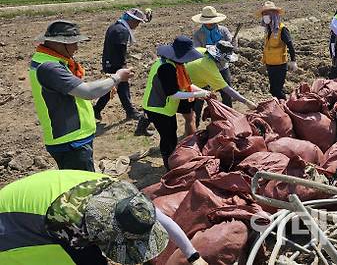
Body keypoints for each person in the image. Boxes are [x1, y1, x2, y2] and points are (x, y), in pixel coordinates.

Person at [0, 169, 208, 265]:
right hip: (13, 225)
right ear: (107, 232)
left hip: (45, 193)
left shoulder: (127, 199)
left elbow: (161, 218)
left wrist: (193, 256)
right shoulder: (72, 227)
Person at [29, 20, 133, 172]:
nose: (77, 47)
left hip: (74, 137)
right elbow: (88, 92)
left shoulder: (49, 60)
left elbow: (74, 89)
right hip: (71, 141)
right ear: (58, 43)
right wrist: (116, 78)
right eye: (74, 43)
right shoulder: (49, 67)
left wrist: (106, 84)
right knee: (83, 189)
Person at [142, 36, 210, 169]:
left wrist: (203, 92)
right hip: (158, 108)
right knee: (168, 138)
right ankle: (169, 166)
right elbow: (173, 94)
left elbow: (185, 85)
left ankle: (171, 161)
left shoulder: (175, 64)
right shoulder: (166, 68)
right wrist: (197, 94)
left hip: (166, 108)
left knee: (171, 133)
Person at [93, 8, 152, 136]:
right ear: (131, 20)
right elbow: (121, 51)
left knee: (113, 88)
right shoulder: (122, 31)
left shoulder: (116, 26)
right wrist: (123, 66)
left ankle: (97, 109)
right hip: (115, 64)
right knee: (120, 87)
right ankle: (130, 111)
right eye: (137, 22)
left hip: (109, 61)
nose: (137, 25)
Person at [181, 41, 258, 136]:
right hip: (185, 86)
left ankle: (192, 130)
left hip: (188, 77)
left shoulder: (202, 50)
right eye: (225, 60)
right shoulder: (210, 69)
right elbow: (227, 89)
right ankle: (190, 136)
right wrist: (246, 102)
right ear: (220, 59)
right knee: (192, 114)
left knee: (195, 109)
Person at [191, 6, 237, 107]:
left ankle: (229, 117)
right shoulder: (198, 34)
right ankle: (196, 119)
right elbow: (197, 51)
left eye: (212, 21)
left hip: (222, 66)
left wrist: (229, 47)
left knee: (227, 93)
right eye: (208, 21)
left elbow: (232, 44)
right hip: (205, 68)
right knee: (200, 97)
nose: (211, 23)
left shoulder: (223, 30)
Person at [257, 1, 297, 100]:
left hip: (280, 64)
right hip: (270, 64)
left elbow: (290, 45)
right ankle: (278, 108)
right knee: (273, 89)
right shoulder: (268, 29)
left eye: (267, 14)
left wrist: (293, 61)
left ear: (273, 15)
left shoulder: (282, 29)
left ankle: (285, 105)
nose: (265, 16)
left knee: (278, 90)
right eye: (264, 14)